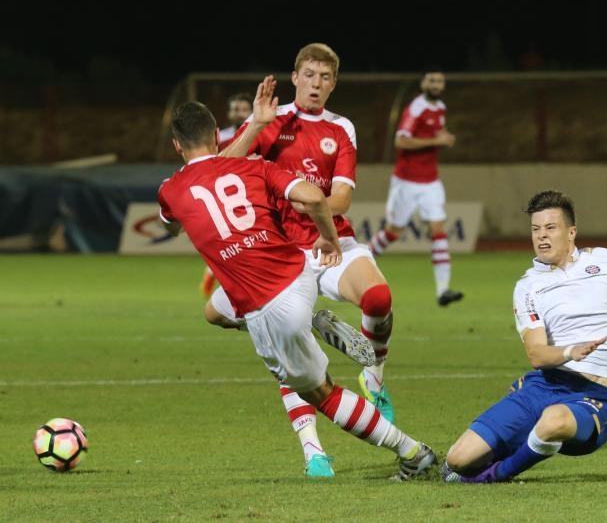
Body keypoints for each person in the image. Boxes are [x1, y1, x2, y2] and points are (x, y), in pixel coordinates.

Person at [158, 99, 436, 482]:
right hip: (300, 267)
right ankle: (310, 323)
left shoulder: (171, 191)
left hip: (270, 306)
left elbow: (171, 225)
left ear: (176, 146)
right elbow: (315, 197)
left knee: (319, 393)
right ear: (214, 134)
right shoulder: (254, 167)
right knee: (214, 312)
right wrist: (329, 239)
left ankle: (412, 453)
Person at [212, 43, 397, 478]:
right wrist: (256, 125)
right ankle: (313, 450)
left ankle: (374, 377)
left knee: (378, 297)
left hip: (332, 243)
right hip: (278, 253)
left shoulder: (342, 127)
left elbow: (343, 197)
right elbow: (218, 172)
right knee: (237, 323)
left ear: (334, 83)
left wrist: (311, 209)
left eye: (325, 77)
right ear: (295, 77)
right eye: (309, 75)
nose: (316, 84)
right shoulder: (269, 122)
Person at [439, 190, 607, 483]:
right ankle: (499, 452)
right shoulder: (528, 286)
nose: (542, 236)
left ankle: (497, 474)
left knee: (554, 420)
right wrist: (569, 352)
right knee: (457, 458)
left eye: (550, 228)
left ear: (571, 232)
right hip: (545, 385)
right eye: (536, 230)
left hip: (596, 395)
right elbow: (536, 354)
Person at [368, 67, 463, 307]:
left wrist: (442, 138)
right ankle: (360, 261)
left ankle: (443, 291)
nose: (436, 84)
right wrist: (436, 140)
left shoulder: (440, 108)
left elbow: (434, 135)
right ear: (423, 83)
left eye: (440, 80)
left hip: (430, 180)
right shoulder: (416, 107)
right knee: (393, 233)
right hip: (406, 182)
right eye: (431, 79)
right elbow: (400, 140)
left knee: (438, 230)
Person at [199, 92, 253, 297]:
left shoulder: (262, 133)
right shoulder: (220, 137)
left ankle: (215, 272)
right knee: (237, 241)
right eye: (235, 109)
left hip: (256, 192)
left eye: (243, 109)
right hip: (230, 196)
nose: (238, 113)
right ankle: (220, 274)